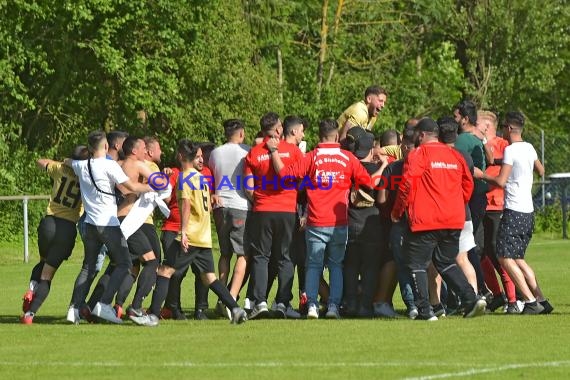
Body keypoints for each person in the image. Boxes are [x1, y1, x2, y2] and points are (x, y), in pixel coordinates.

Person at [267, 119, 381, 319]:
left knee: (314, 265)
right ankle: (333, 307)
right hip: (339, 222)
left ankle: (312, 305)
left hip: (316, 220)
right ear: (337, 136)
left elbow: (285, 176)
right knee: (336, 265)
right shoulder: (348, 158)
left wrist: (274, 152)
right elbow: (369, 183)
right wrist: (383, 166)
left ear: (319, 136)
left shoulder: (312, 157)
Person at [391, 117, 486, 321]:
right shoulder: (455, 155)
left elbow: (407, 183)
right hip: (453, 219)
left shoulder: (419, 154)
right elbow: (468, 184)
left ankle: (425, 311)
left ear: (422, 135)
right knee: (445, 262)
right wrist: (455, 204)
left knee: (416, 263)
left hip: (426, 219)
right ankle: (471, 299)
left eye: (416, 134)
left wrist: (398, 211)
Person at [146, 140, 247, 324]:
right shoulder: (202, 179)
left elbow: (185, 205)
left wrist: (183, 232)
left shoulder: (185, 177)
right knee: (209, 278)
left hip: (191, 236)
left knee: (164, 270)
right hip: (204, 236)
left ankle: (153, 315)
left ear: (180, 156)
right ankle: (236, 309)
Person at [68, 131, 154, 324]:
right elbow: (130, 186)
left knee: (87, 268)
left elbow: (67, 162)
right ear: (106, 147)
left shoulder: (81, 165)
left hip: (89, 225)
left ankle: (73, 308)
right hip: (107, 224)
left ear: (90, 148)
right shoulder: (109, 165)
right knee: (124, 263)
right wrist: (151, 187)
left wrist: (58, 161)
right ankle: (104, 304)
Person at [477, 111, 553, 315]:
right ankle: (541, 299)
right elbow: (541, 170)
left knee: (503, 257)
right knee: (518, 258)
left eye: (503, 127)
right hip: (528, 211)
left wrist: (482, 174)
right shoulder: (529, 148)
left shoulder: (511, 150)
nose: (502, 131)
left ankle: (528, 300)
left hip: (513, 210)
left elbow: (501, 181)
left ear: (509, 128)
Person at [244, 113, 303, 319]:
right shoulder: (294, 151)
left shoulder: (253, 153)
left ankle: (260, 302)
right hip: (287, 209)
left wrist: (261, 200)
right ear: (279, 129)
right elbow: (300, 181)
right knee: (286, 257)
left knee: (261, 256)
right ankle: (282, 302)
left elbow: (248, 188)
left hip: (263, 210)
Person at [20, 146, 88, 324]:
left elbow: (40, 161)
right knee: (47, 275)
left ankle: (31, 288)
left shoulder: (59, 169)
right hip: (67, 229)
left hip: (49, 223)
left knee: (42, 261)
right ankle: (30, 315)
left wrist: (61, 162)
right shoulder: (87, 177)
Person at [342, 127, 389, 317]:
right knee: (371, 268)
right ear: (371, 150)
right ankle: (365, 306)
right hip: (372, 226)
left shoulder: (349, 170)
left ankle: (351, 303)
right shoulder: (382, 172)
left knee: (350, 266)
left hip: (350, 224)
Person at [208, 119, 252, 317]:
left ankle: (222, 297)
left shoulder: (215, 153)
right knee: (243, 254)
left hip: (220, 206)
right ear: (241, 133)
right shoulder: (247, 151)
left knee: (225, 254)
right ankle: (231, 299)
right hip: (241, 205)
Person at [475, 111, 517, 313]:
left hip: (497, 205)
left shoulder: (503, 144)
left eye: (478, 122)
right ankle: (497, 294)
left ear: (488, 125)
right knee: (480, 252)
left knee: (499, 252)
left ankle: (513, 298)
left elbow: (501, 164)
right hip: (481, 205)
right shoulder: (477, 143)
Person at [378, 126, 418, 319]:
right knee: (423, 264)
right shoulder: (423, 166)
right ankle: (431, 301)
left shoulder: (392, 168)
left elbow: (381, 199)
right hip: (421, 222)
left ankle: (412, 304)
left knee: (402, 266)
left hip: (399, 221)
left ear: (402, 146)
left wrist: (390, 213)